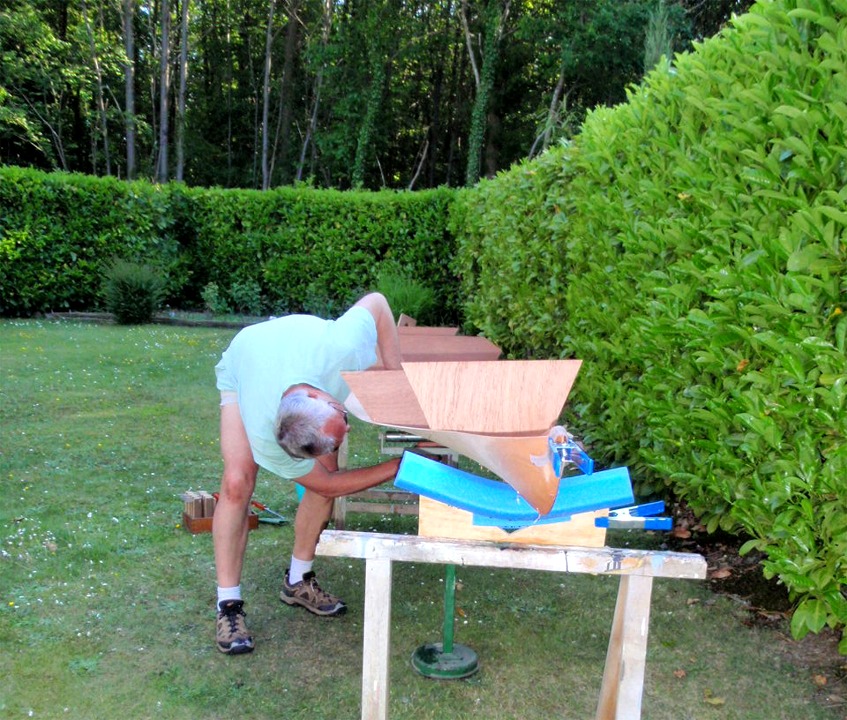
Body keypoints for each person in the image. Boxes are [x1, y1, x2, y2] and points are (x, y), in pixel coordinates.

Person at [212, 292, 403, 655]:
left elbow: (378, 302)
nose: (348, 431)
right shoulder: (264, 433)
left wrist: (396, 375)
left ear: (319, 396)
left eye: (340, 419)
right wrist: (397, 467)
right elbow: (327, 484)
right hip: (245, 362)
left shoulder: (343, 346)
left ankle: (298, 580)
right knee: (237, 483)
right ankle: (228, 606)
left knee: (325, 476)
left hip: (302, 351)